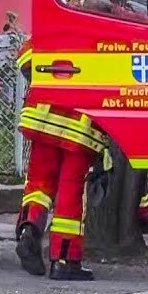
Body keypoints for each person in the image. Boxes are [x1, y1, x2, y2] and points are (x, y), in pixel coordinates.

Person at [14, 36, 109, 281]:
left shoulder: (58, 24)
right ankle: (64, 260)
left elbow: (25, 57)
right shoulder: (106, 33)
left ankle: (28, 228)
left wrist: (51, 83)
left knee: (38, 184)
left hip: (44, 116)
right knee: (71, 192)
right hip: (81, 126)